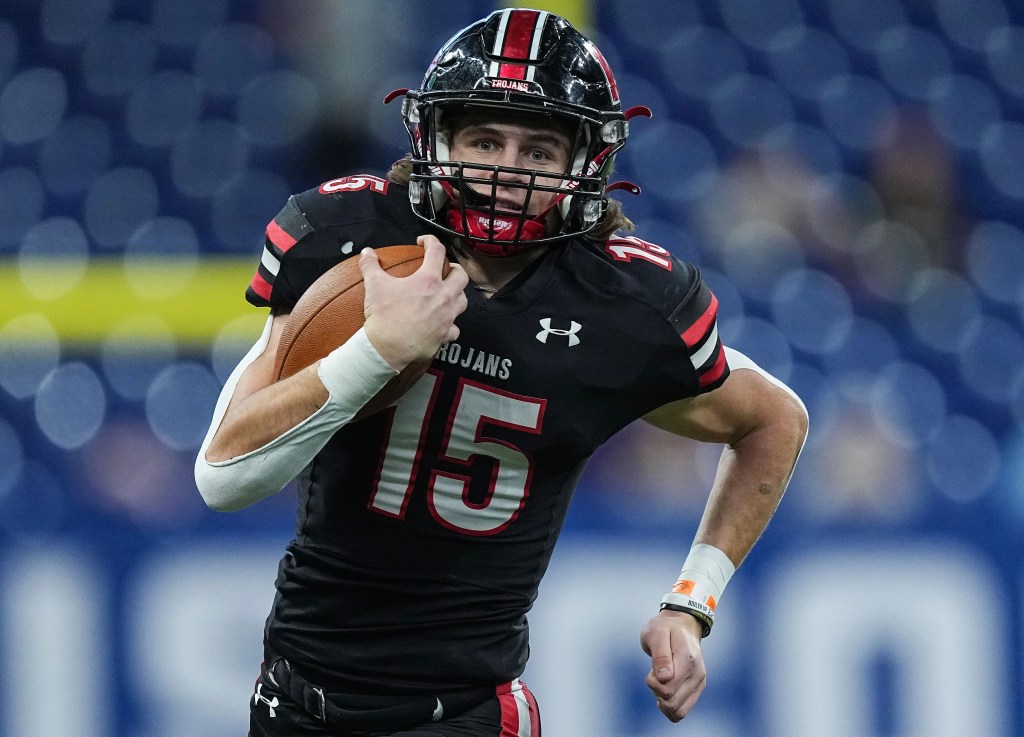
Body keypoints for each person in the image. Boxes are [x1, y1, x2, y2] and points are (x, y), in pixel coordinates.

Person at [195, 8, 808, 736]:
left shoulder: (621, 308)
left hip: (464, 712)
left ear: (586, 164)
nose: (506, 172)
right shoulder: (350, 243)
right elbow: (226, 478)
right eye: (484, 140)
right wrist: (378, 350)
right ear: (436, 139)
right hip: (293, 699)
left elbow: (773, 419)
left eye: (538, 151)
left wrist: (692, 601)